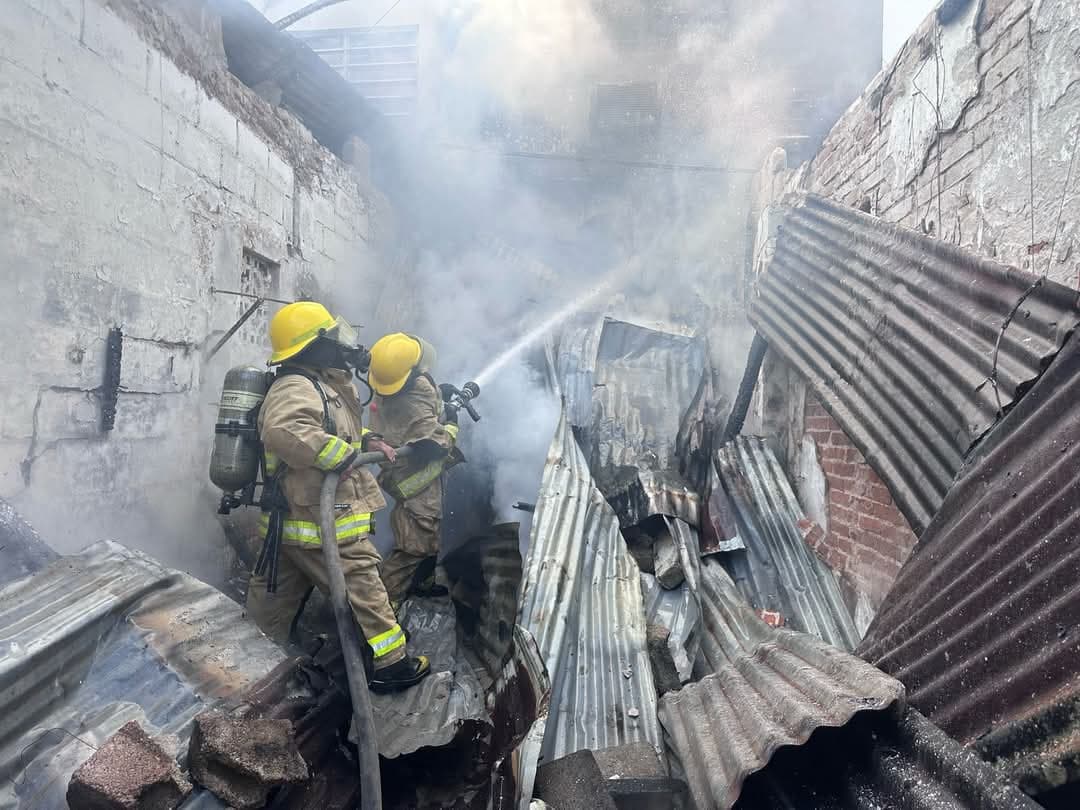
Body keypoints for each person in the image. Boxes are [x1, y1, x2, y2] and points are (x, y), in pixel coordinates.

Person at [245, 302, 430, 692]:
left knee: (270, 604)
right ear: (314, 346)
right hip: (323, 521)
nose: (343, 343)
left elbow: (332, 430)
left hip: (296, 524)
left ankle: (248, 667)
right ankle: (392, 664)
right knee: (364, 585)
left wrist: (367, 440)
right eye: (332, 337)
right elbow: (284, 430)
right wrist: (342, 456)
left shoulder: (321, 386)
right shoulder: (296, 386)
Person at [367, 333, 462, 607]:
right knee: (414, 546)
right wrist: (453, 423)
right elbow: (437, 444)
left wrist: (438, 397)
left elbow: (413, 418)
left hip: (404, 475)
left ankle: (422, 582)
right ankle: (381, 609)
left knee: (430, 532)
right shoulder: (413, 394)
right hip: (415, 481)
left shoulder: (387, 386)